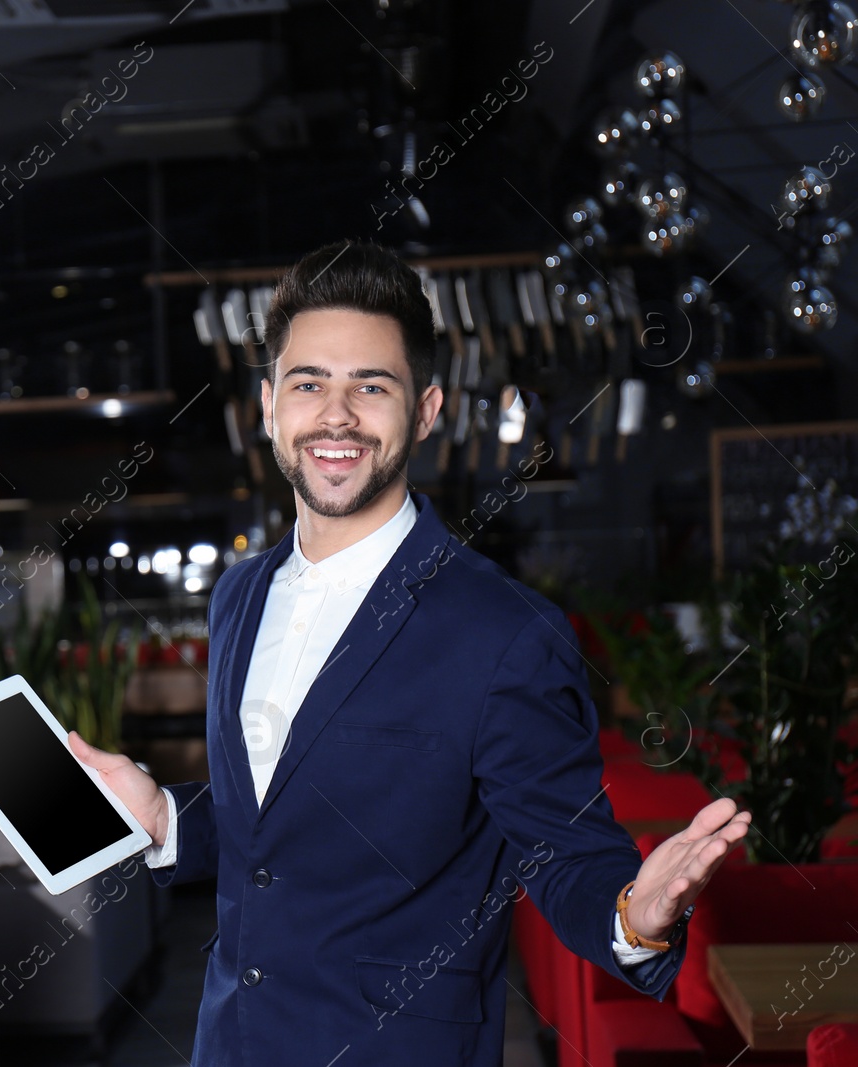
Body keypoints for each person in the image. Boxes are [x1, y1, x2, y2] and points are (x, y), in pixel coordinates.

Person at [68, 238, 750, 1067]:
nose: (337, 414)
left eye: (371, 386)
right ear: (269, 405)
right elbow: (284, 821)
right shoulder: (239, 595)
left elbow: (565, 851)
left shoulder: (506, 632)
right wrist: (165, 818)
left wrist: (636, 914)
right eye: (309, 382)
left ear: (426, 411)